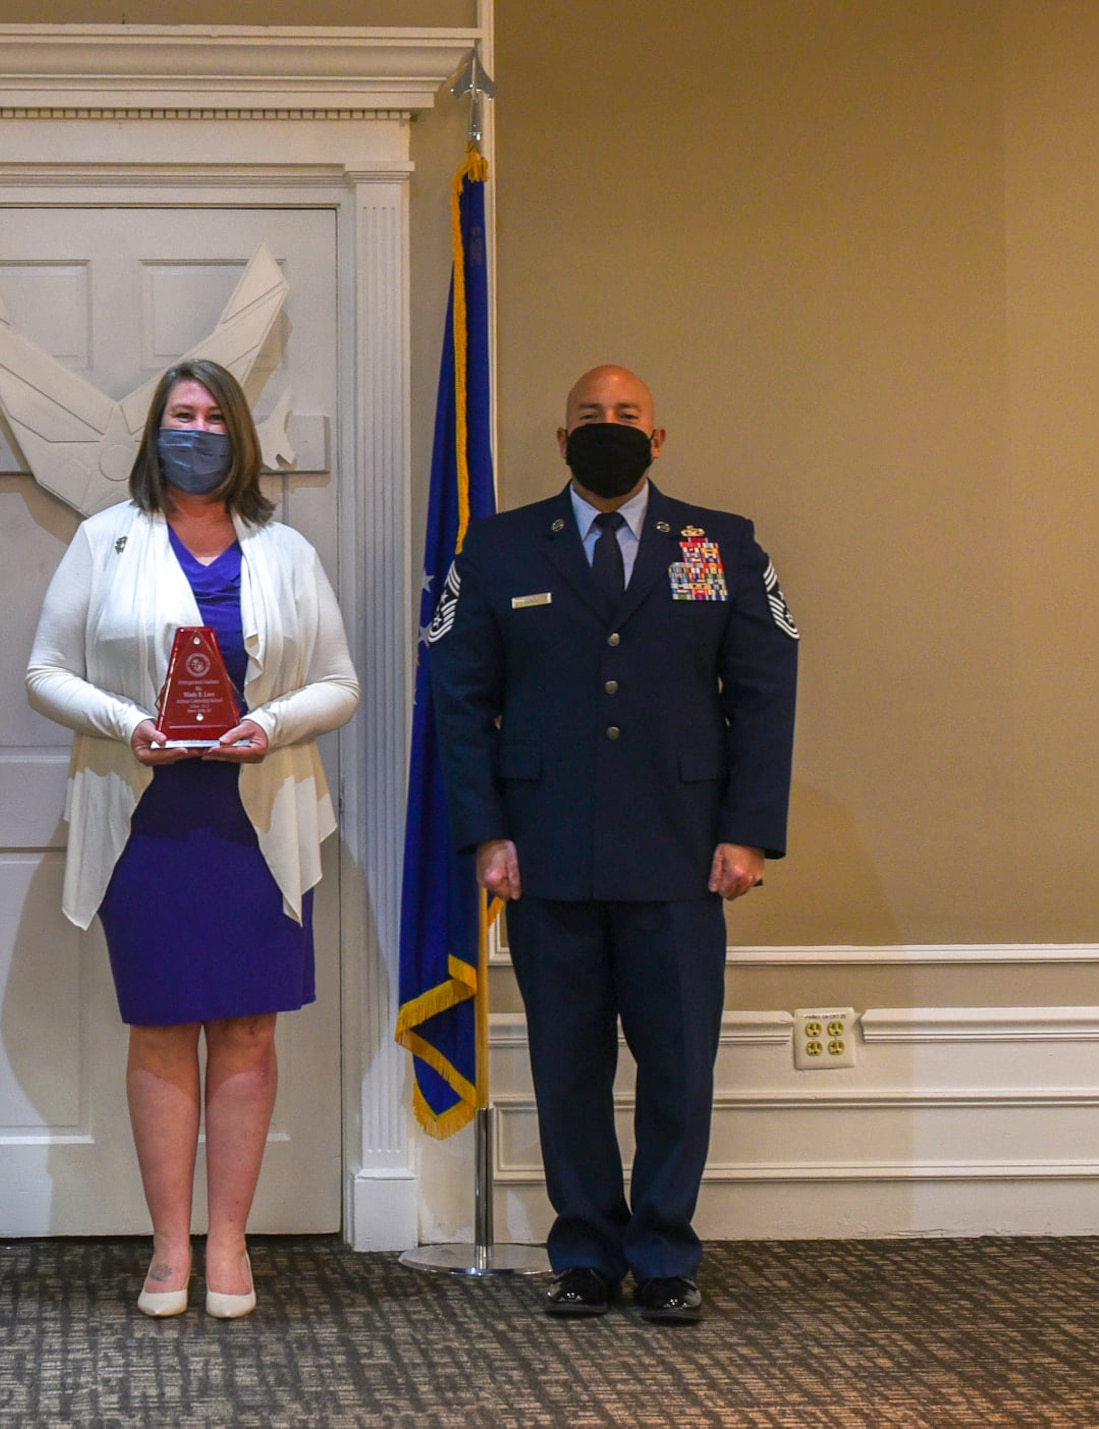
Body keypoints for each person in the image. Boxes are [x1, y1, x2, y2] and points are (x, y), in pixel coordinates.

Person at [429, 364, 798, 1325]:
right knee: (568, 1062)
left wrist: (748, 830)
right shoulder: (501, 548)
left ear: (658, 437)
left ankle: (667, 1251)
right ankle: (587, 1249)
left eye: (626, 416)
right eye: (589, 417)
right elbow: (461, 701)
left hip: (682, 853)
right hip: (545, 854)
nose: (608, 429)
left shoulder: (720, 544)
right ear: (562, 441)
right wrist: (486, 832)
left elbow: (764, 691)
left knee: (679, 1061)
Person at [26, 358, 358, 1319]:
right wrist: (127, 723)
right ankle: (169, 1247)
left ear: (240, 433)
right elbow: (44, 670)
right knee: (164, 1026)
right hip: (147, 816)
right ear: (155, 430)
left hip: (257, 817)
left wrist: (275, 724)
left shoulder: (285, 550)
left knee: (250, 1028)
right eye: (182, 414)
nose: (199, 430)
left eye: (215, 416)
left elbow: (339, 681)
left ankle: (229, 1243)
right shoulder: (105, 540)